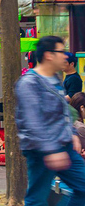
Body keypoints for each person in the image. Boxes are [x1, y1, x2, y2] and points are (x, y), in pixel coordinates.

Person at [16, 35, 85, 205]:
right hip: (40, 150)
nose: (65, 56)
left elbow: (63, 112)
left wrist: (73, 133)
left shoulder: (56, 80)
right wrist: (51, 150)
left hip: (64, 145)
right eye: (61, 52)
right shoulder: (29, 83)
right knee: (37, 198)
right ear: (48, 55)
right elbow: (32, 122)